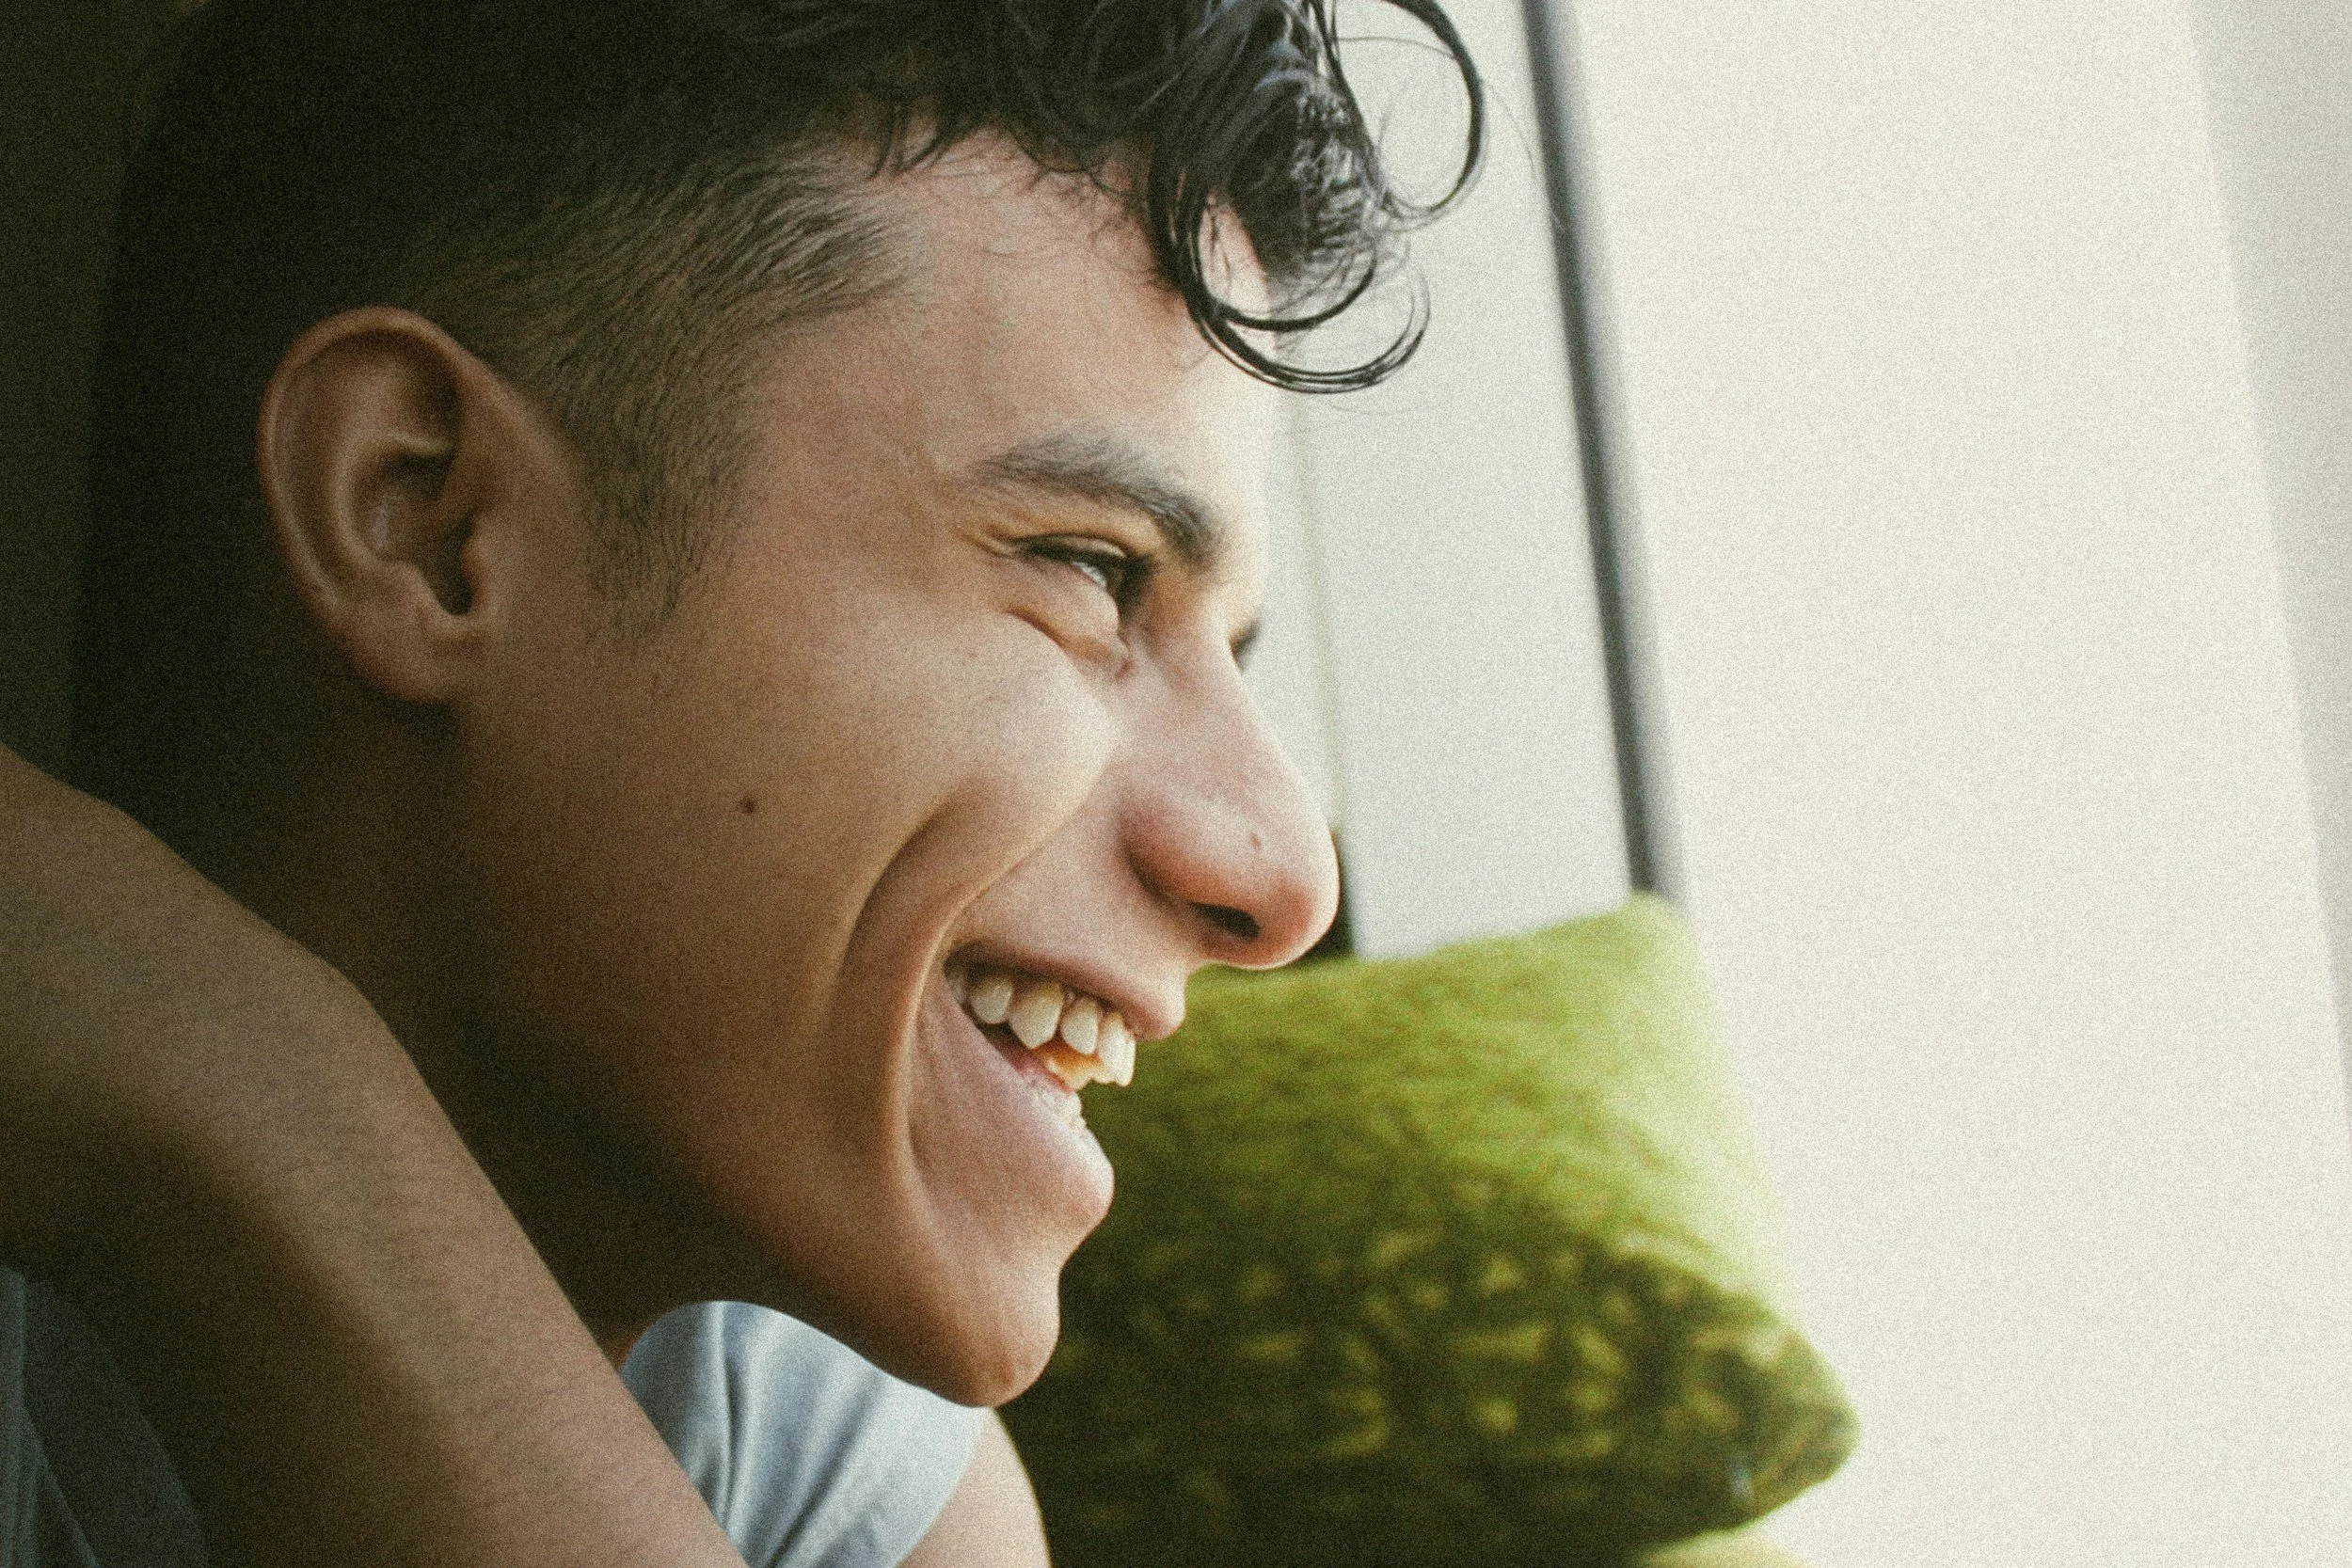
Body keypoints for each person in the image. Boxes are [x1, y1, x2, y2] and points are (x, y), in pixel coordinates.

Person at [0, 1, 1481, 1563]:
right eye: (1092, 570)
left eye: (1230, 650)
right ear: (427, 520)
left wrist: (258, 1101)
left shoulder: (816, 1444)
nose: (1285, 875)